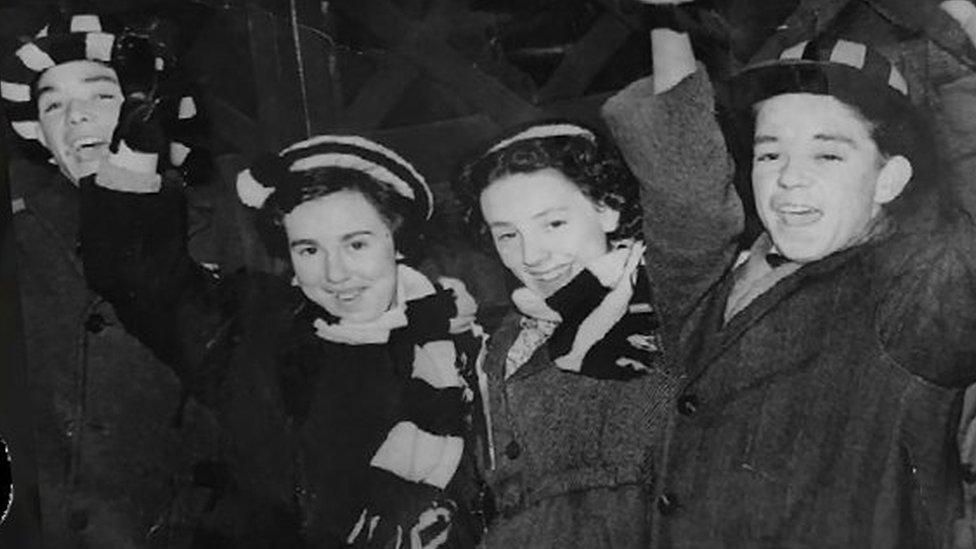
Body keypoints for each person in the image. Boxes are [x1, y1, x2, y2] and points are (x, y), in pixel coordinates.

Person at [602, 0, 976, 546]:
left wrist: (963, 17)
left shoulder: (918, 293)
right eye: (770, 154)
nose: (790, 180)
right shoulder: (713, 288)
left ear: (890, 180)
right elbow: (683, 179)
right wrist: (667, 18)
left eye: (828, 156)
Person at [78, 130, 486, 547]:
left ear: (397, 241)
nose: (335, 273)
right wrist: (135, 152)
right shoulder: (254, 325)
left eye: (357, 244)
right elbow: (140, 280)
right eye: (309, 250)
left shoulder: (453, 349)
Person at [0, 11, 218, 547]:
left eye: (101, 95)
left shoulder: (234, 231)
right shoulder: (20, 239)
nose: (75, 117)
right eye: (53, 104)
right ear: (42, 138)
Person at [455, 121, 676, 548]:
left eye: (553, 224)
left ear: (608, 207)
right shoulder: (506, 340)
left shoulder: (661, 298)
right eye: (507, 235)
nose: (531, 255)